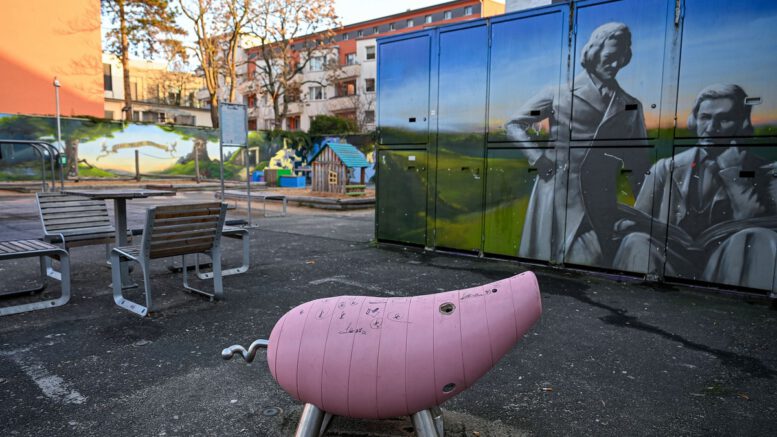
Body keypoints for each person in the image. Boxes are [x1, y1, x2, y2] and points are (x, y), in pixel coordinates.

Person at [505, 22, 649, 265]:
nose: (615, 65)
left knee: (594, 261)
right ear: (594, 53)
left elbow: (639, 164)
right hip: (558, 196)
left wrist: (644, 214)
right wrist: (537, 158)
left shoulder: (630, 105)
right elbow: (514, 124)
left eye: (621, 58)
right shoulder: (557, 94)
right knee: (551, 260)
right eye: (609, 57)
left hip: (601, 203)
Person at [613, 83, 777, 290]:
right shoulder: (665, 168)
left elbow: (757, 224)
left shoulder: (766, 171)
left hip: (728, 263)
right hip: (672, 259)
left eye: (724, 119)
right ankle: (636, 301)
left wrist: (734, 173)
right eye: (705, 117)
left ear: (742, 123)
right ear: (694, 120)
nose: (711, 127)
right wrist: (627, 224)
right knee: (636, 240)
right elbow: (640, 216)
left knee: (756, 237)